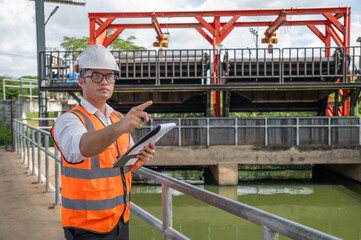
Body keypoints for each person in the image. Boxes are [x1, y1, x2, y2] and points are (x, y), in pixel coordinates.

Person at [51, 44, 155, 240]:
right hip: (87, 227)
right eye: (96, 75)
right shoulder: (70, 120)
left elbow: (117, 165)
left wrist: (138, 159)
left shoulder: (118, 118)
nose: (104, 81)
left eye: (109, 76)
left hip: (120, 219)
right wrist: (121, 127)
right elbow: (80, 148)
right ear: (81, 80)